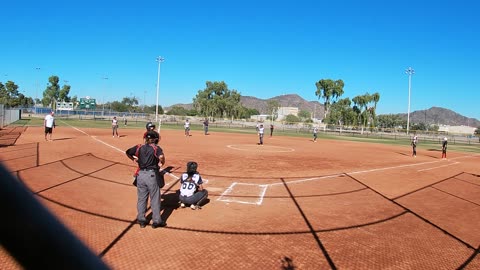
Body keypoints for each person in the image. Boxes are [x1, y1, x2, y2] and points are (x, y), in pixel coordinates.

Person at [125, 130, 166, 228]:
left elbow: (128, 152)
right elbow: (161, 157)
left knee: (141, 199)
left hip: (140, 175)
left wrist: (133, 159)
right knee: (155, 199)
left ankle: (141, 220)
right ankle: (156, 221)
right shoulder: (156, 148)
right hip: (151, 176)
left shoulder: (139, 147)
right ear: (155, 139)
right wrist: (161, 163)